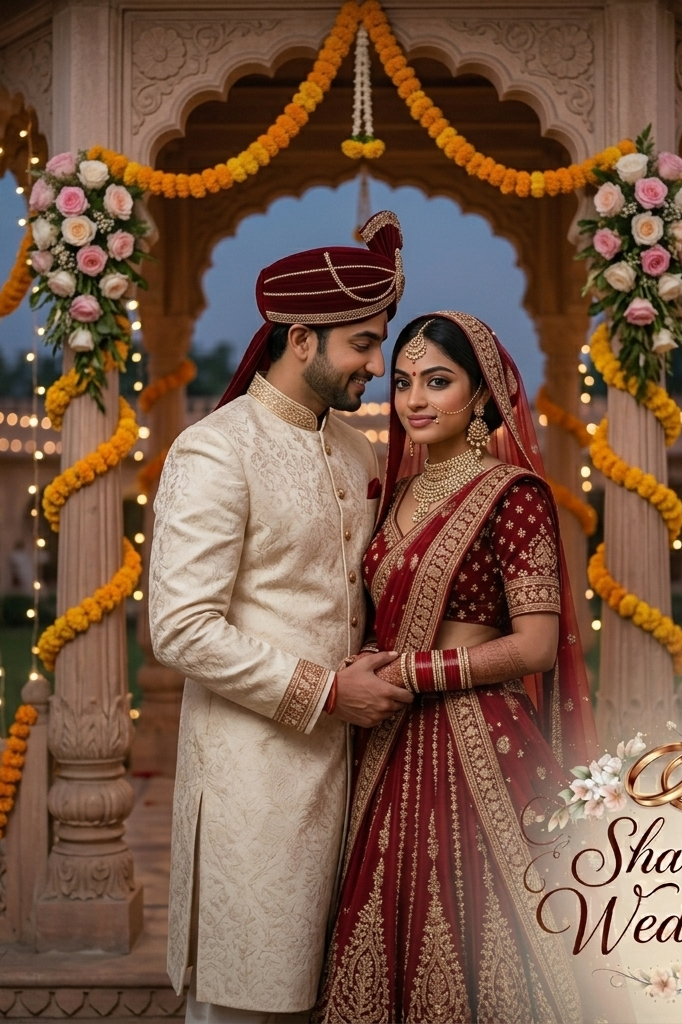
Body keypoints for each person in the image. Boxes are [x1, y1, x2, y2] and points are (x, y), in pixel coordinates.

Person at [150, 212, 414, 1023]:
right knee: (247, 1000)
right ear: (301, 340)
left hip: (348, 773)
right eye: (363, 344)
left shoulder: (355, 451)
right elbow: (181, 628)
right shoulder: (216, 450)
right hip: (253, 781)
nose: (378, 365)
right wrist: (327, 692)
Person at [314, 312, 598, 1024]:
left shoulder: (515, 495)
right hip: (389, 740)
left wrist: (414, 671)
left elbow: (536, 646)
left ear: (481, 396)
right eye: (404, 381)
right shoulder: (396, 495)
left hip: (480, 743)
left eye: (438, 382)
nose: (414, 399)